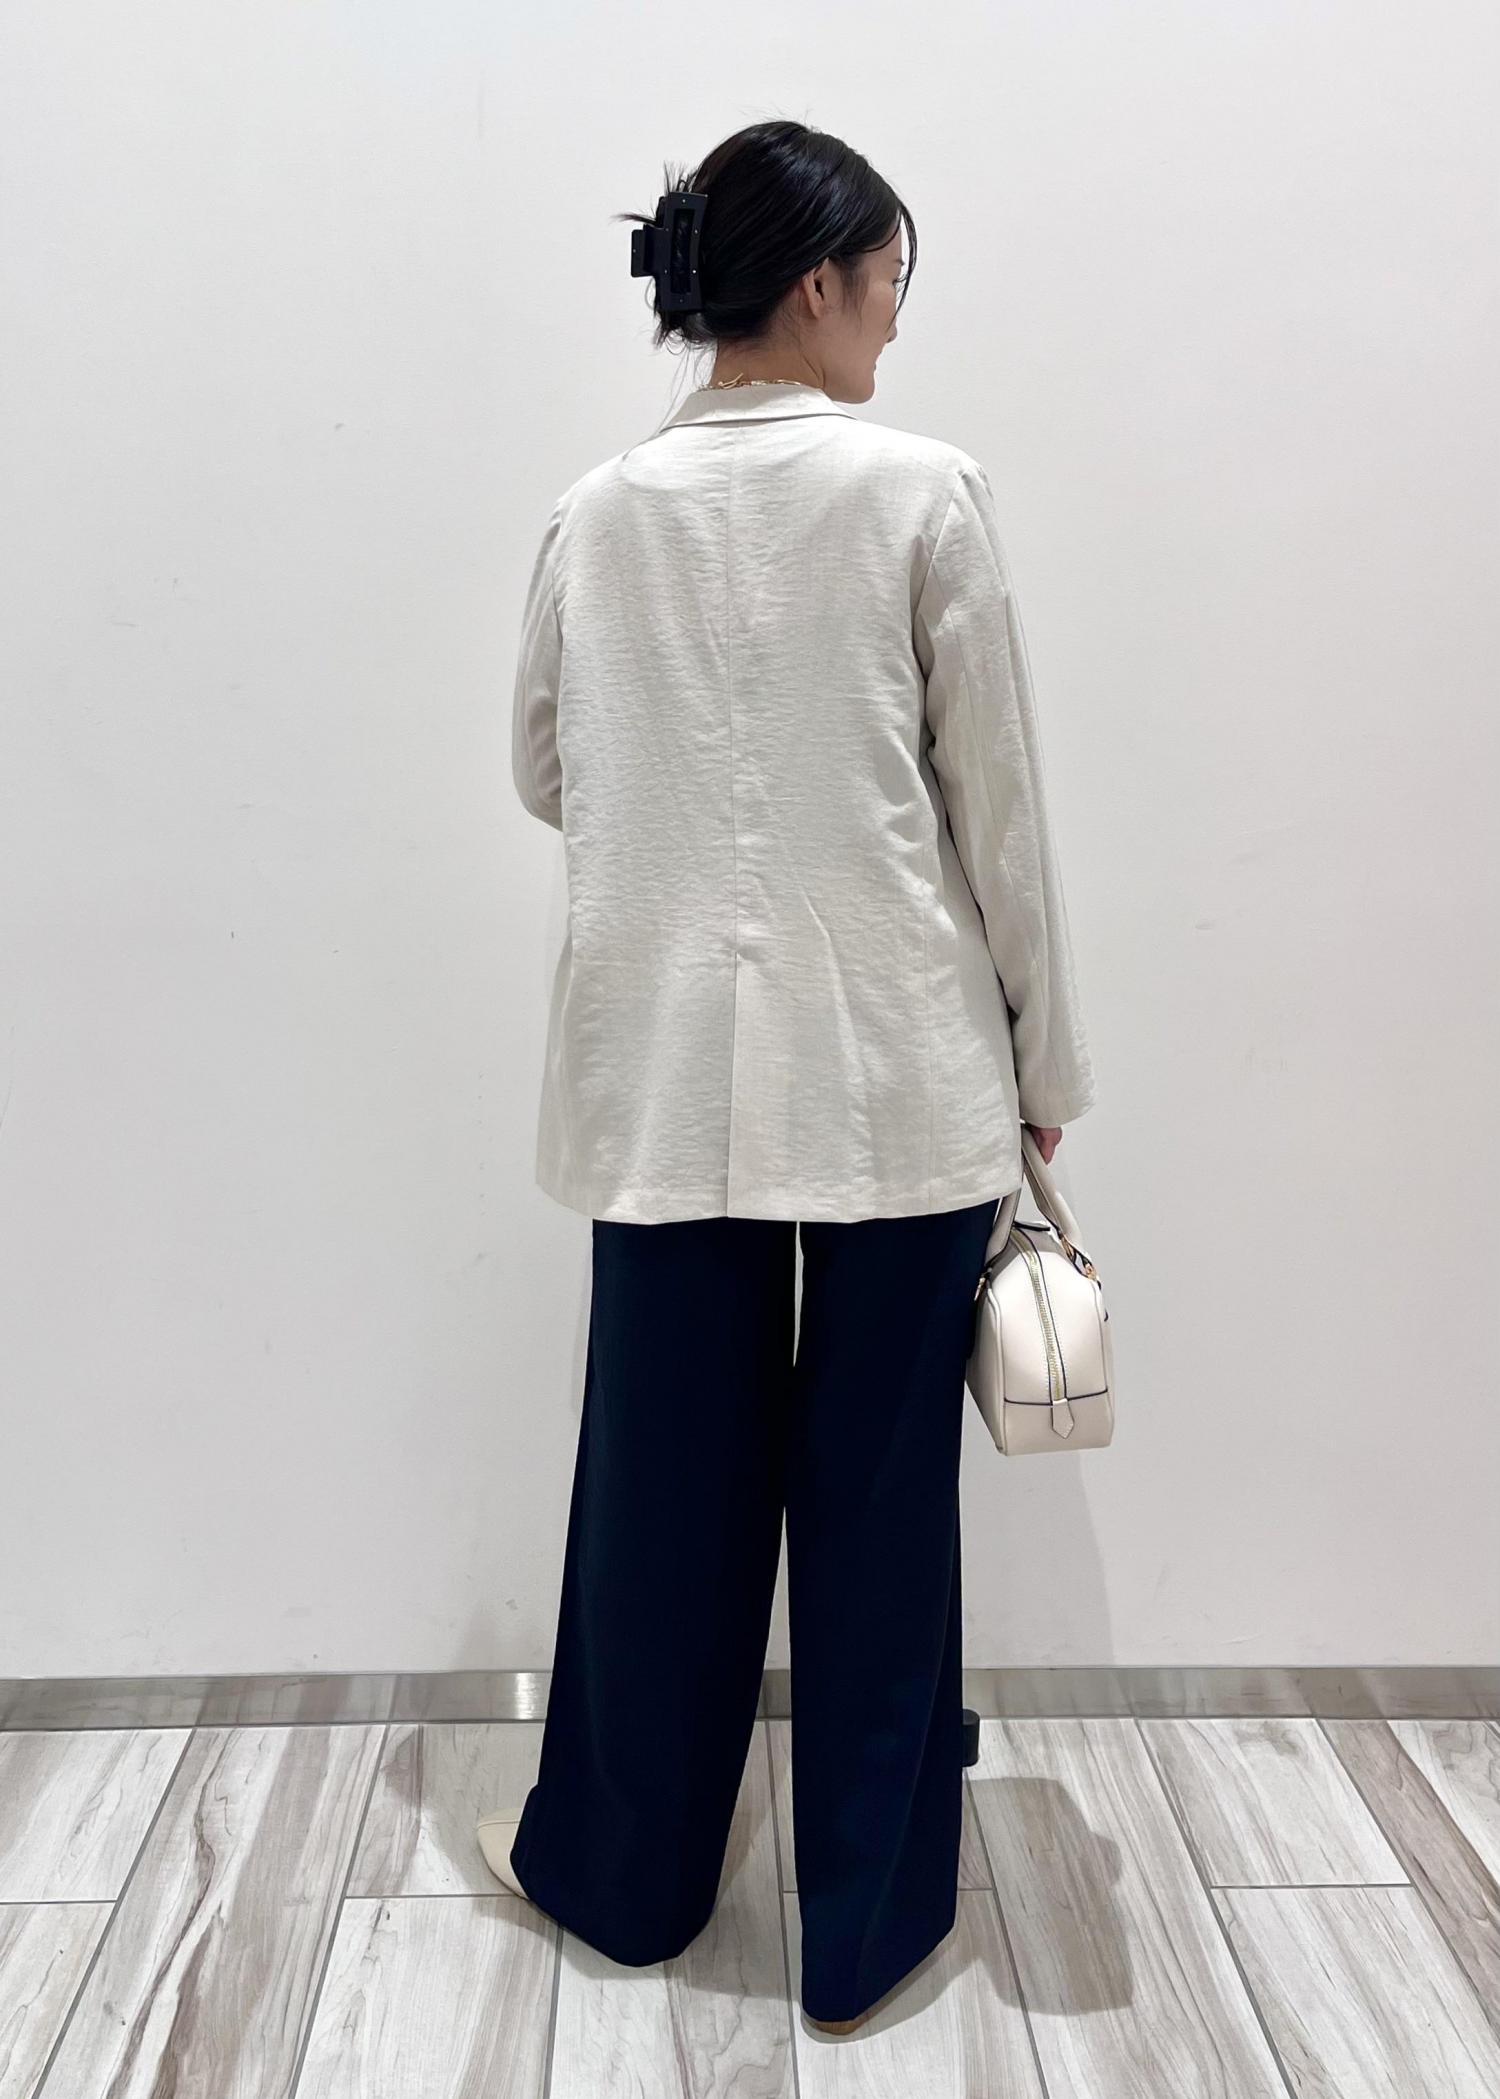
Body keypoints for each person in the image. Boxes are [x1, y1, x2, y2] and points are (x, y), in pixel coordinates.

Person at [477, 118, 1098, 2035]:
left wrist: (683, 833)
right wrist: (1045, 1056)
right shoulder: (923, 493)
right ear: (816, 282)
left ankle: (624, 1877)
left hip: (660, 1075)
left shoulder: (599, 511)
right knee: (882, 1505)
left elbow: (544, 767)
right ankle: (867, 1926)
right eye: (889, 282)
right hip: (897, 1068)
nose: (894, 320)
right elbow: (996, 809)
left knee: (655, 1499)